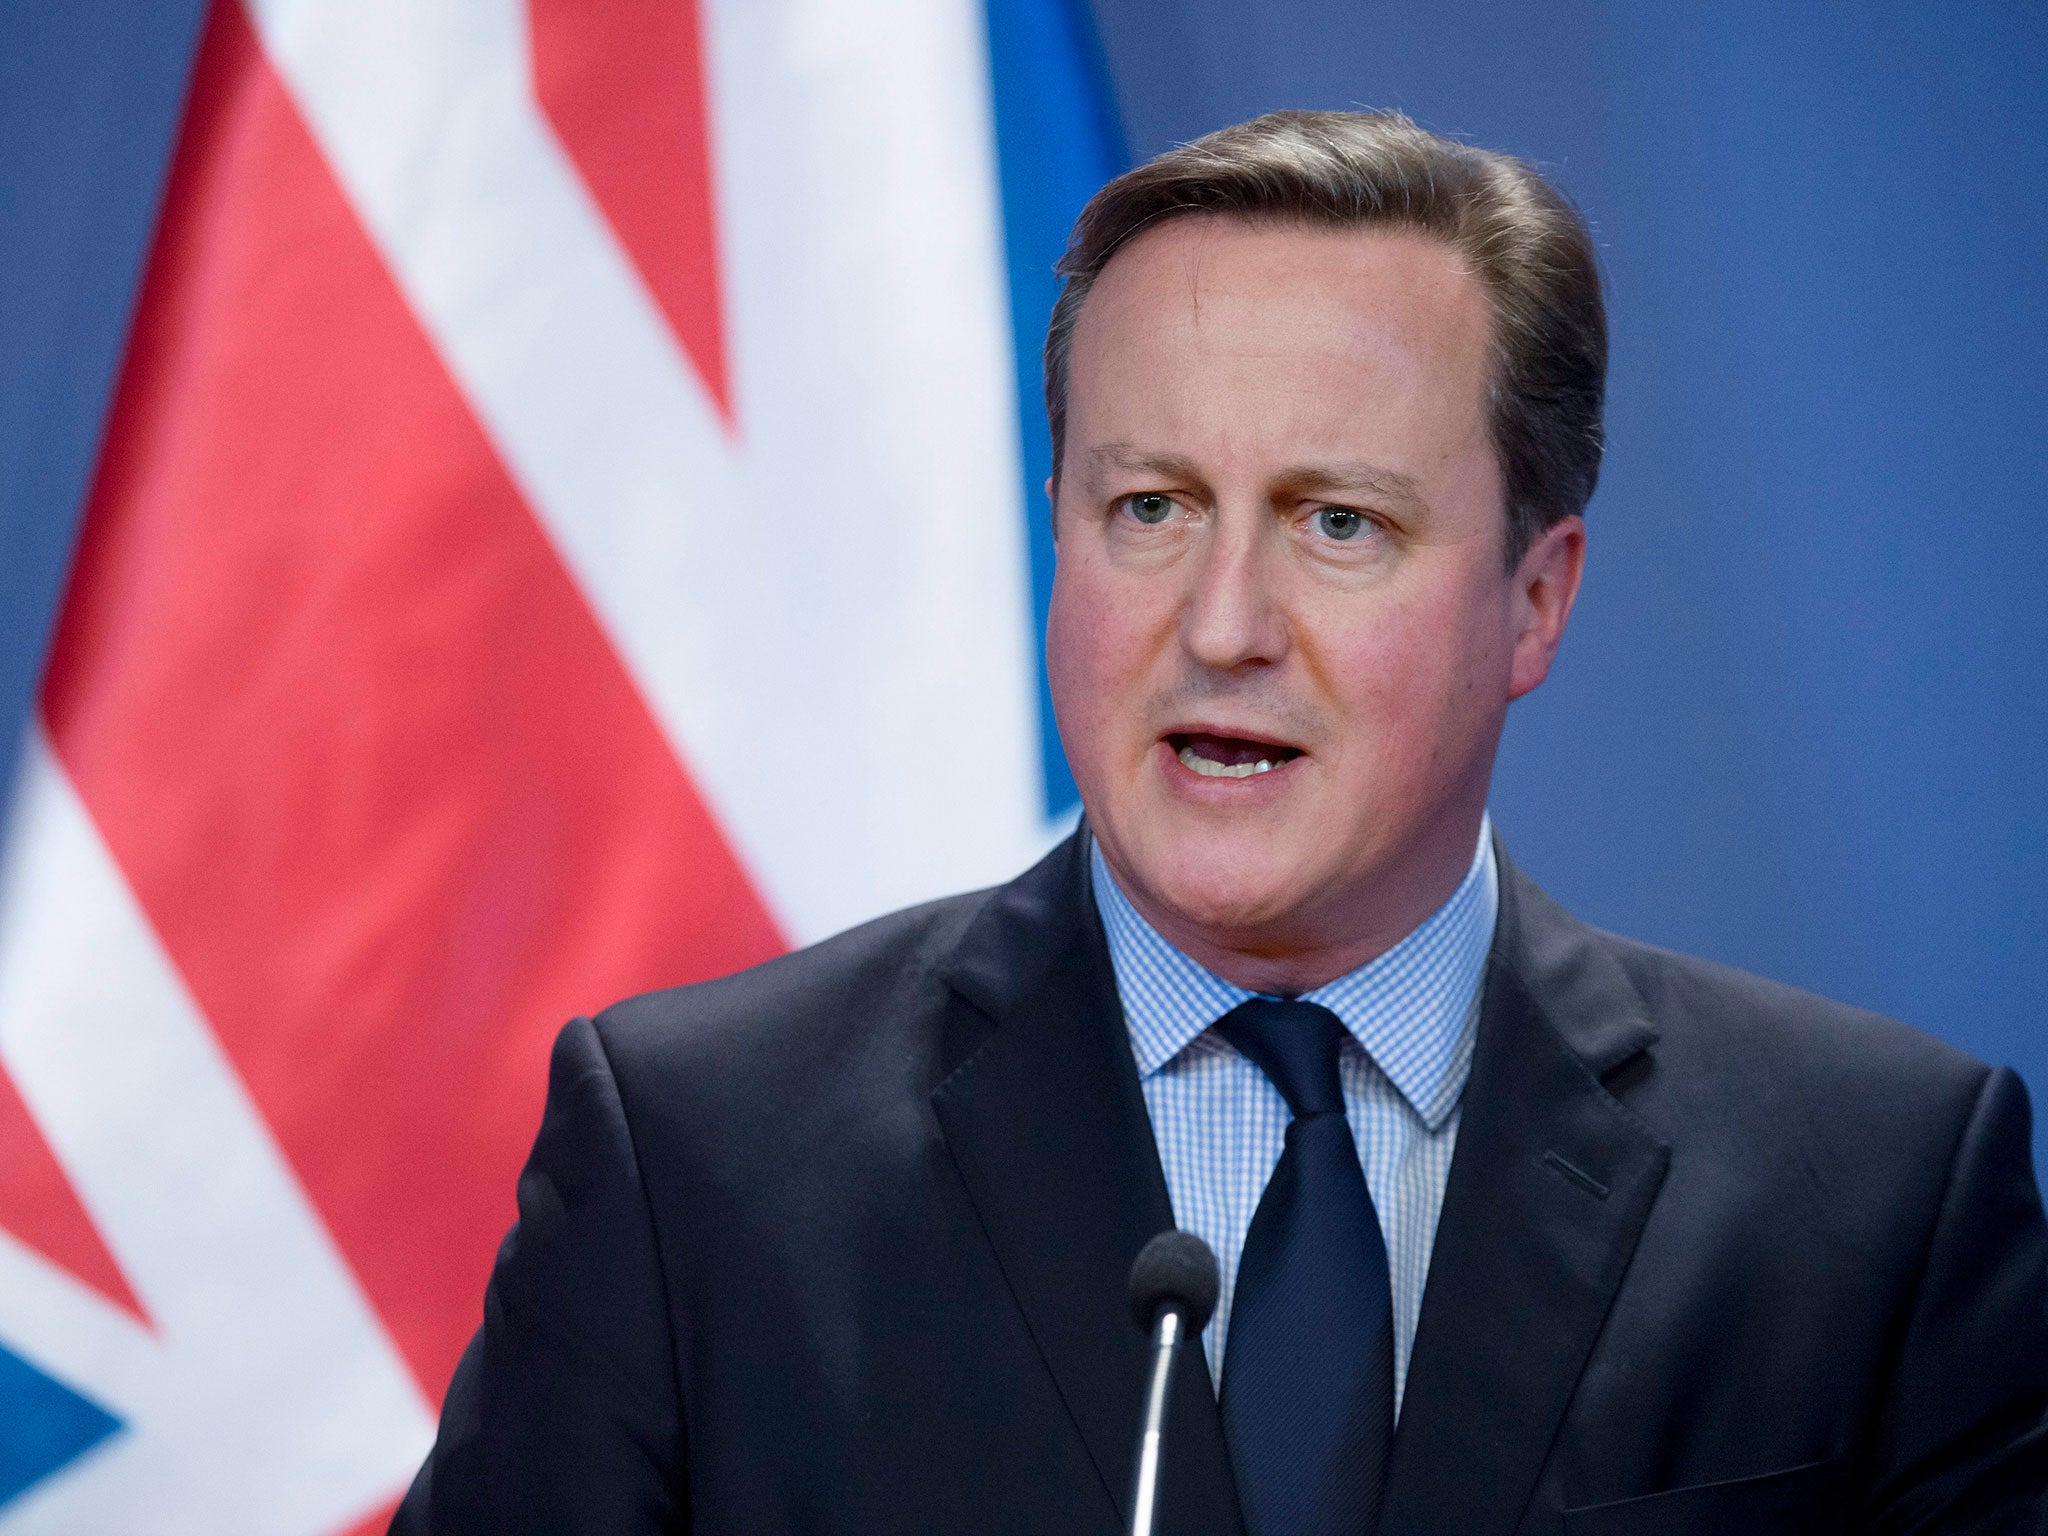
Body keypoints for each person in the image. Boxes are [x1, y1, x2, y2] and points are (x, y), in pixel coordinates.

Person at [392, 111, 2048, 1534]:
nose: (1224, 622)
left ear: (1534, 601)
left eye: (1338, 521)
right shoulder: (701, 1166)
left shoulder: (1873, 1201)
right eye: (1151, 509)